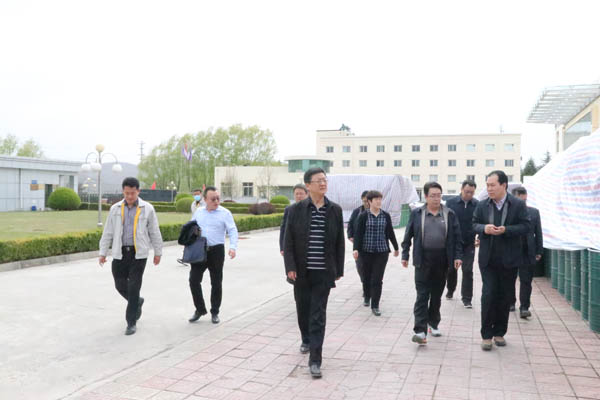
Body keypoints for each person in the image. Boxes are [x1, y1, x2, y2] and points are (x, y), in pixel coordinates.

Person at [283, 167, 344, 379]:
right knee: (303, 310)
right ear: (308, 185)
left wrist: (338, 269)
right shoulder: (295, 210)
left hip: (323, 272)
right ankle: (306, 339)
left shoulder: (335, 210)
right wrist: (290, 267)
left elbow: (339, 241)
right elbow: (288, 241)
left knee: (318, 315)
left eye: (325, 180)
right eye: (318, 180)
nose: (323, 183)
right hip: (301, 272)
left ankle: (315, 360)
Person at [473, 170, 530, 351]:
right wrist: (484, 229)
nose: (489, 189)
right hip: (488, 260)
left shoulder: (517, 205)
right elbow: (473, 224)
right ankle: (486, 335)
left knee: (505, 296)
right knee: (488, 294)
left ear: (503, 185)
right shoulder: (482, 205)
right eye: (487, 185)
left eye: (492, 185)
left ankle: (499, 333)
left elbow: (526, 226)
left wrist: (507, 230)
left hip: (509, 260)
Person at [99, 177, 163, 335]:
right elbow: (108, 232)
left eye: (132, 193)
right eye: (126, 193)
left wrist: (158, 252)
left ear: (138, 191)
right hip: (120, 253)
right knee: (120, 285)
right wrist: (102, 252)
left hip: (138, 254)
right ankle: (137, 301)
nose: (129, 196)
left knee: (134, 288)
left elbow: (154, 231)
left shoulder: (147, 209)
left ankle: (131, 322)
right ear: (123, 191)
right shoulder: (115, 209)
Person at [401, 182, 462, 345]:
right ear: (426, 197)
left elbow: (457, 237)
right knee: (422, 295)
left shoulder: (449, 214)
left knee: (436, 295)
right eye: (433, 195)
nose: (436, 198)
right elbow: (408, 235)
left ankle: (433, 323)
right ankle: (420, 331)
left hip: (442, 260)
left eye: (438, 195)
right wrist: (405, 254)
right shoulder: (417, 213)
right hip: (423, 260)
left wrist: (457, 256)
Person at [188, 186, 238, 324]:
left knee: (216, 282)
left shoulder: (225, 213)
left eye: (218, 198)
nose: (216, 201)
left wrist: (233, 247)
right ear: (205, 199)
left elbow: (232, 230)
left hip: (217, 251)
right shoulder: (199, 212)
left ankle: (215, 311)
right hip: (200, 250)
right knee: (193, 280)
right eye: (213, 199)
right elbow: (191, 227)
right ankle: (199, 309)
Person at [352, 190, 399, 316]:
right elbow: (358, 234)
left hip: (382, 252)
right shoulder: (363, 216)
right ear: (369, 201)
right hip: (366, 252)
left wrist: (396, 247)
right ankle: (367, 296)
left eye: (380, 199)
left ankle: (375, 305)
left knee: (377, 279)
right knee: (366, 276)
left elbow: (390, 232)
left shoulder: (385, 215)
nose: (379, 201)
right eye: (376, 199)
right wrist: (355, 249)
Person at [445, 180, 479, 308]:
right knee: (451, 269)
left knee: (468, 270)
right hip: (453, 242)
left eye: (472, 192)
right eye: (466, 192)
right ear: (461, 189)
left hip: (469, 242)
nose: (469, 194)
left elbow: (480, 221)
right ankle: (450, 289)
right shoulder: (451, 203)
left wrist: (479, 236)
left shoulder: (477, 204)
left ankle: (467, 298)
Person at [510, 187, 543, 319]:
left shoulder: (534, 212)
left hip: (528, 252)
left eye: (525, 200)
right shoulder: (508, 213)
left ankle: (524, 307)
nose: (523, 203)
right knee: (509, 279)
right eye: (520, 200)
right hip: (511, 251)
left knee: (526, 281)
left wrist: (539, 251)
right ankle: (510, 303)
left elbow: (538, 232)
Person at [347, 190, 369, 300]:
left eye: (368, 201)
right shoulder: (357, 212)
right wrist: (350, 235)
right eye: (364, 201)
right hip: (358, 245)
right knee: (360, 266)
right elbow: (350, 224)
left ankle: (368, 288)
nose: (366, 203)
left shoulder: (377, 212)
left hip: (372, 245)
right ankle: (365, 283)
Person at [279, 184, 309, 256]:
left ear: (307, 194)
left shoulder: (311, 209)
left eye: (301, 194)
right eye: (296, 194)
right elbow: (283, 229)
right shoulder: (289, 209)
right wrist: (282, 247)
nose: (299, 196)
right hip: (292, 246)